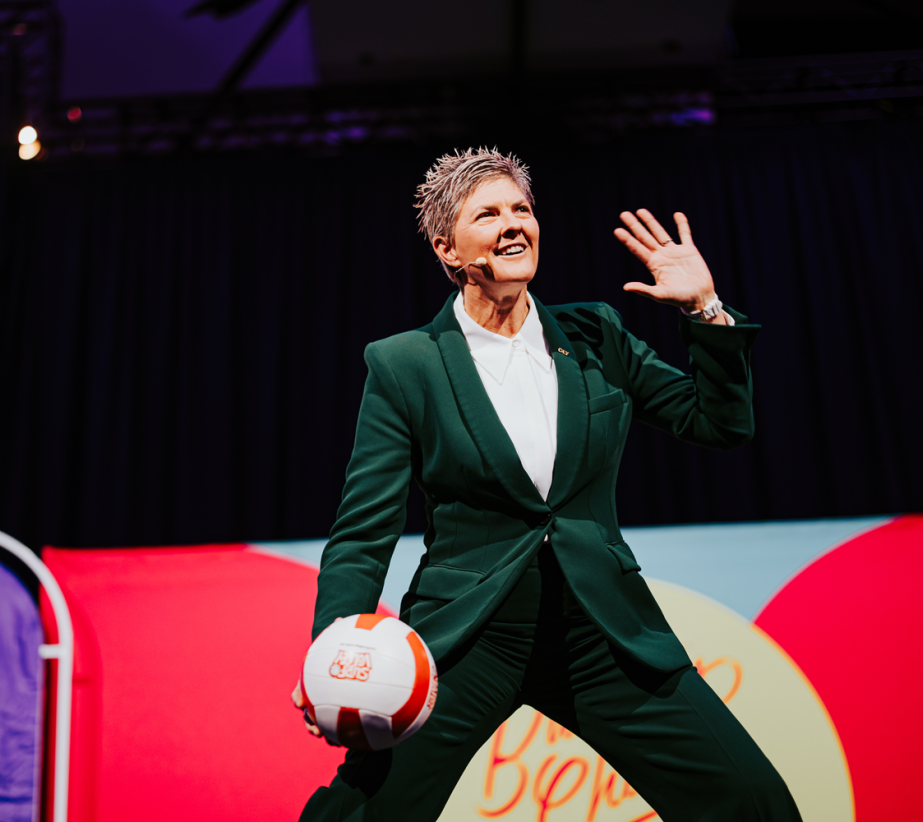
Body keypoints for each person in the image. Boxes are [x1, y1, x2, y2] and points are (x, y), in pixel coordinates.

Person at [292, 148, 801, 821]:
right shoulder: (405, 364)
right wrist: (334, 654)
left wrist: (705, 311)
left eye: (521, 209)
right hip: (467, 638)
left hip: (600, 632)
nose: (512, 225)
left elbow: (717, 423)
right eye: (488, 213)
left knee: (753, 803)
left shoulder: (597, 335)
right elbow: (364, 529)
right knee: (362, 815)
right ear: (446, 246)